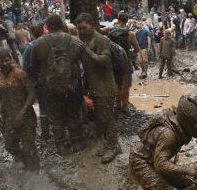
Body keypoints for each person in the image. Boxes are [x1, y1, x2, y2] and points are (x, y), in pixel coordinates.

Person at [29, 14, 86, 156]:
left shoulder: (38, 44)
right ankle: (77, 142)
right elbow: (84, 63)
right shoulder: (75, 41)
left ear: (46, 27)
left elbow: (33, 66)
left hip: (49, 87)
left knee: (55, 116)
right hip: (72, 85)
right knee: (74, 112)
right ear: (62, 24)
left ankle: (61, 145)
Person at [75, 13, 121, 163]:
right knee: (100, 119)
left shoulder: (101, 39)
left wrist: (86, 51)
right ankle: (108, 143)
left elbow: (105, 61)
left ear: (92, 25)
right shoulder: (85, 40)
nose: (81, 31)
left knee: (108, 118)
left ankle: (114, 146)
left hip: (105, 86)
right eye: (79, 29)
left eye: (84, 28)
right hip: (94, 86)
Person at [0, 47, 39, 171]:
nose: (5, 63)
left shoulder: (20, 74)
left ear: (11, 59)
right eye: (1, 61)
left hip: (26, 115)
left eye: (7, 60)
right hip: (8, 116)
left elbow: (32, 94)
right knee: (9, 145)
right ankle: (23, 161)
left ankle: (35, 175)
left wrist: (22, 113)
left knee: (29, 147)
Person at [106, 12, 140, 111]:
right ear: (127, 20)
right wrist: (130, 52)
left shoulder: (111, 32)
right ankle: (124, 107)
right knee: (126, 85)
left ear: (118, 19)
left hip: (114, 62)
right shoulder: (131, 34)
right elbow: (137, 49)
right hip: (126, 61)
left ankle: (116, 105)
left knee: (116, 84)